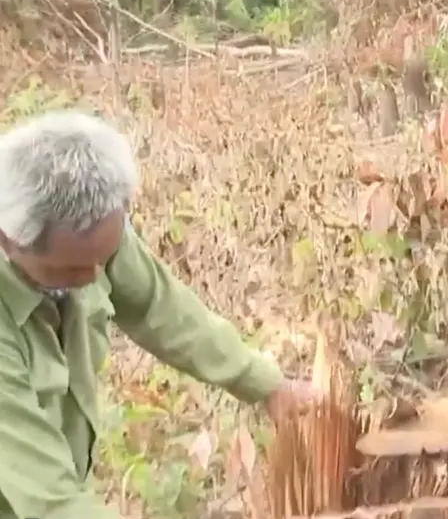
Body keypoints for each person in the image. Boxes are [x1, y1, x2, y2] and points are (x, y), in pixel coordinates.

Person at [0, 110, 318, 519]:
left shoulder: (91, 236)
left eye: (104, 259)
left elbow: (158, 306)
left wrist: (266, 384)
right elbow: (50, 501)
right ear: (8, 239)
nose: (93, 277)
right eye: (71, 270)